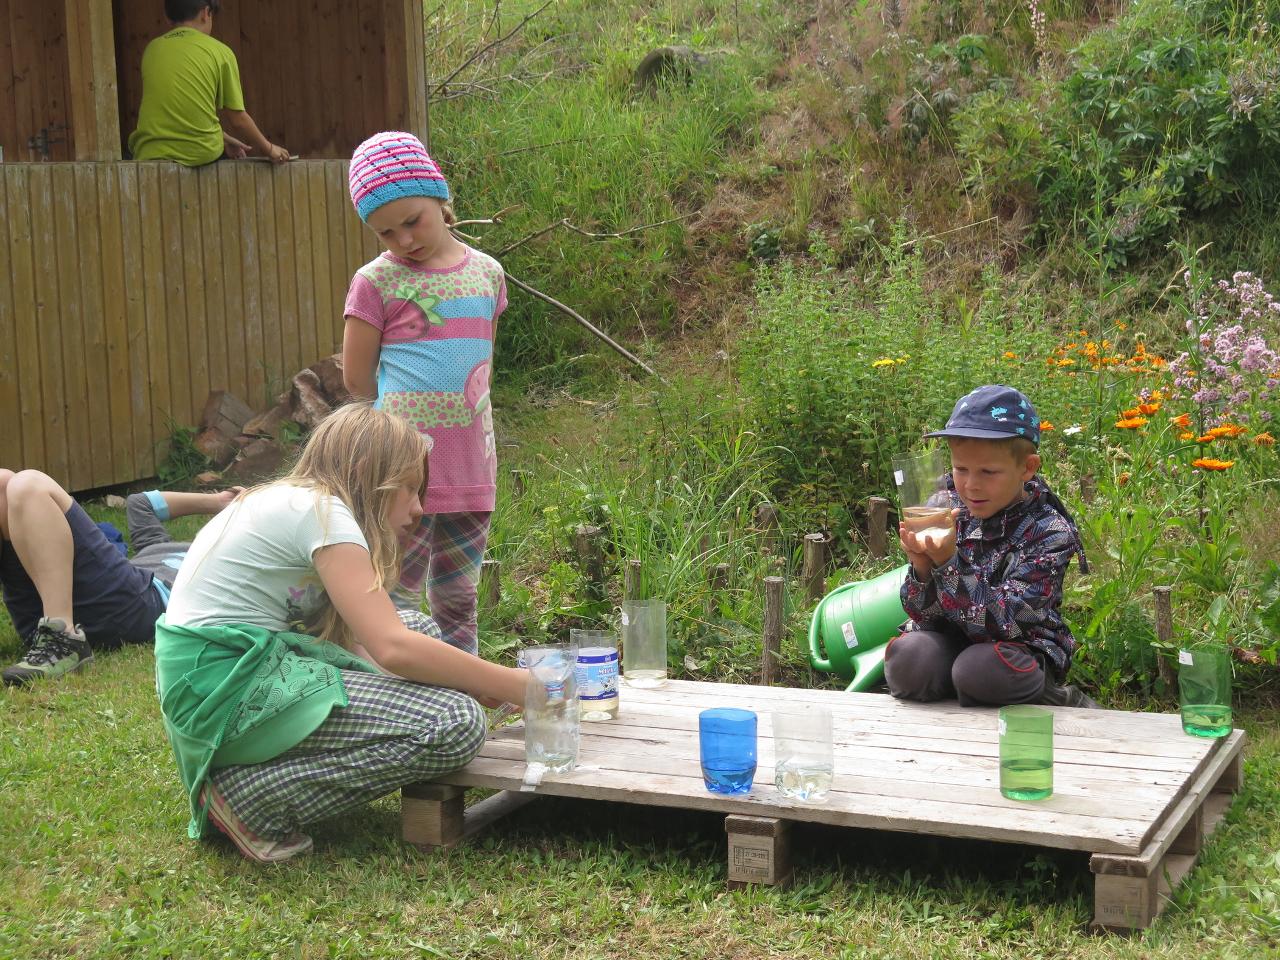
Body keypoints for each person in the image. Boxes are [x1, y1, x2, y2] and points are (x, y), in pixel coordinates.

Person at [155, 404, 527, 863]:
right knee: (455, 723)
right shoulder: (323, 513)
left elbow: (358, 638)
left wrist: (466, 678)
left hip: (220, 677)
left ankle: (253, 779)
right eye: (410, 488)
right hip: (225, 686)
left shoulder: (299, 501)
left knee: (422, 630)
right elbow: (392, 649)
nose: (418, 507)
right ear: (368, 473)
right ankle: (251, 798)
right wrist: (516, 685)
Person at [342, 131, 507, 655]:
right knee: (395, 594)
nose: (404, 240)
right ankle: (397, 686)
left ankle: (462, 687)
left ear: (439, 195)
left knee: (459, 596)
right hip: (401, 472)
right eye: (386, 232)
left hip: (471, 467)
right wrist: (401, 428)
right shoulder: (376, 282)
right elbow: (357, 380)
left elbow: (481, 366)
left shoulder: (488, 274)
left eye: (412, 221)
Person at [883, 384, 1099, 709]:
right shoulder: (944, 507)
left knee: (979, 671)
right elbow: (924, 617)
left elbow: (1007, 622)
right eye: (960, 469)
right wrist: (922, 569)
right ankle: (955, 688)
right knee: (910, 661)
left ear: (1027, 467)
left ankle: (1056, 697)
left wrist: (948, 563)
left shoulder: (1049, 532)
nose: (971, 485)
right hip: (951, 640)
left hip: (1015, 647)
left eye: (988, 472)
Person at [0, 469, 239, 686]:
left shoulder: (226, 561)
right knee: (3, 483)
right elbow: (140, 503)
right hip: (43, 611)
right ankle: (55, 634)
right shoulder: (156, 543)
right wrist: (222, 502)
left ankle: (62, 639)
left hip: (136, 606)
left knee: (29, 484)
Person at [127, 1, 290, 167]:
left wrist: (224, 138)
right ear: (206, 13)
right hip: (199, 151)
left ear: (167, 18)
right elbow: (238, 119)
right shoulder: (220, 52)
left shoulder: (152, 49)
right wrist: (270, 149)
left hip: (149, 151)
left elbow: (176, 112)